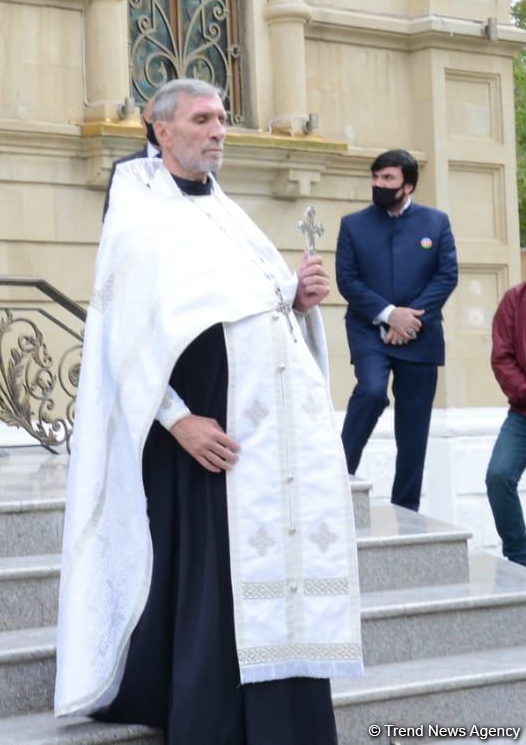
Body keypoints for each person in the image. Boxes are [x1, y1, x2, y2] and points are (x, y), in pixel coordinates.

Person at [55, 78, 362, 743]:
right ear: (161, 129)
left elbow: (246, 309)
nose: (218, 129)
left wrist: (296, 299)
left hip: (261, 440)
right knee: (214, 590)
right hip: (201, 442)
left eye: (222, 117)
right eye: (202, 119)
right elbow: (122, 344)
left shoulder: (229, 214)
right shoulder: (138, 216)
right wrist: (176, 419)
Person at [336, 149, 458, 511]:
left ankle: (406, 507)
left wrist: (410, 319)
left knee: (414, 426)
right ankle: (338, 479)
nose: (378, 184)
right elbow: (348, 280)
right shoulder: (353, 225)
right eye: (375, 177)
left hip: (420, 336)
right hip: (368, 331)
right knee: (371, 392)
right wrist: (389, 315)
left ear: (407, 185)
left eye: (387, 179)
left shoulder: (436, 223)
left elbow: (446, 276)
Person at [487, 282, 526, 567]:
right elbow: (502, 358)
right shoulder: (515, 299)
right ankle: (519, 558)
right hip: (522, 412)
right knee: (499, 476)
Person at [102, 99, 159, 220]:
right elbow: (111, 220)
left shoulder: (193, 164)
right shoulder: (125, 168)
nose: (160, 126)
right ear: (143, 123)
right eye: (153, 118)